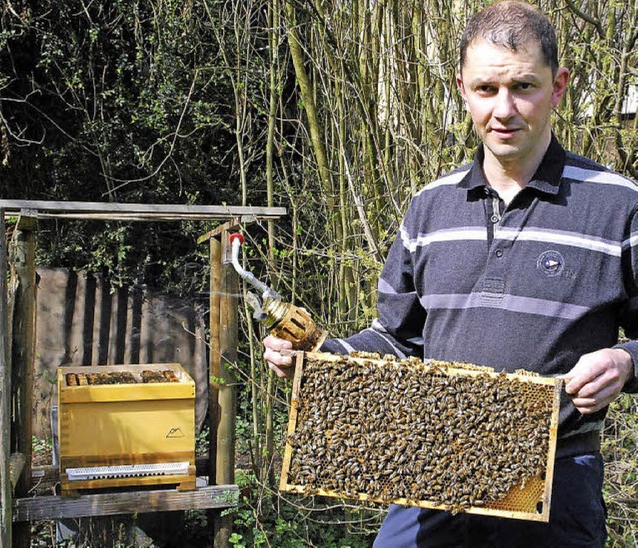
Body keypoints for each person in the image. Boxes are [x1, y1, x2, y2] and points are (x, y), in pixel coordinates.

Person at [264, 1, 638, 546]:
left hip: (553, 486)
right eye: (486, 89)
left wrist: (625, 360)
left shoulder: (619, 206)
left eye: (524, 87)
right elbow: (397, 339)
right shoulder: (429, 207)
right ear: (461, 87)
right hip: (430, 477)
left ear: (558, 87)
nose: (503, 110)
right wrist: (323, 362)